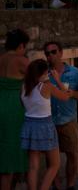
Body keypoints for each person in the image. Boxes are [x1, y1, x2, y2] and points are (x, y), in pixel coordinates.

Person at [20, 59, 72, 190]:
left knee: (33, 165)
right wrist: (58, 79)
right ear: (44, 73)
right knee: (55, 164)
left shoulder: (24, 86)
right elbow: (66, 96)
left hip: (29, 124)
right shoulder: (47, 87)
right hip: (45, 124)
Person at [43, 40, 78, 190]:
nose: (50, 56)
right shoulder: (43, 74)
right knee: (51, 158)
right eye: (47, 53)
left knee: (73, 155)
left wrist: (73, 93)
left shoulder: (74, 73)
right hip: (49, 121)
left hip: (68, 120)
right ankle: (56, 185)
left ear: (61, 53)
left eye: (53, 52)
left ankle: (70, 185)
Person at [0, 28, 29, 190]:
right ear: (21, 45)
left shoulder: (1, 58)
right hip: (13, 108)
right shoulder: (21, 60)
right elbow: (38, 80)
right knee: (11, 154)